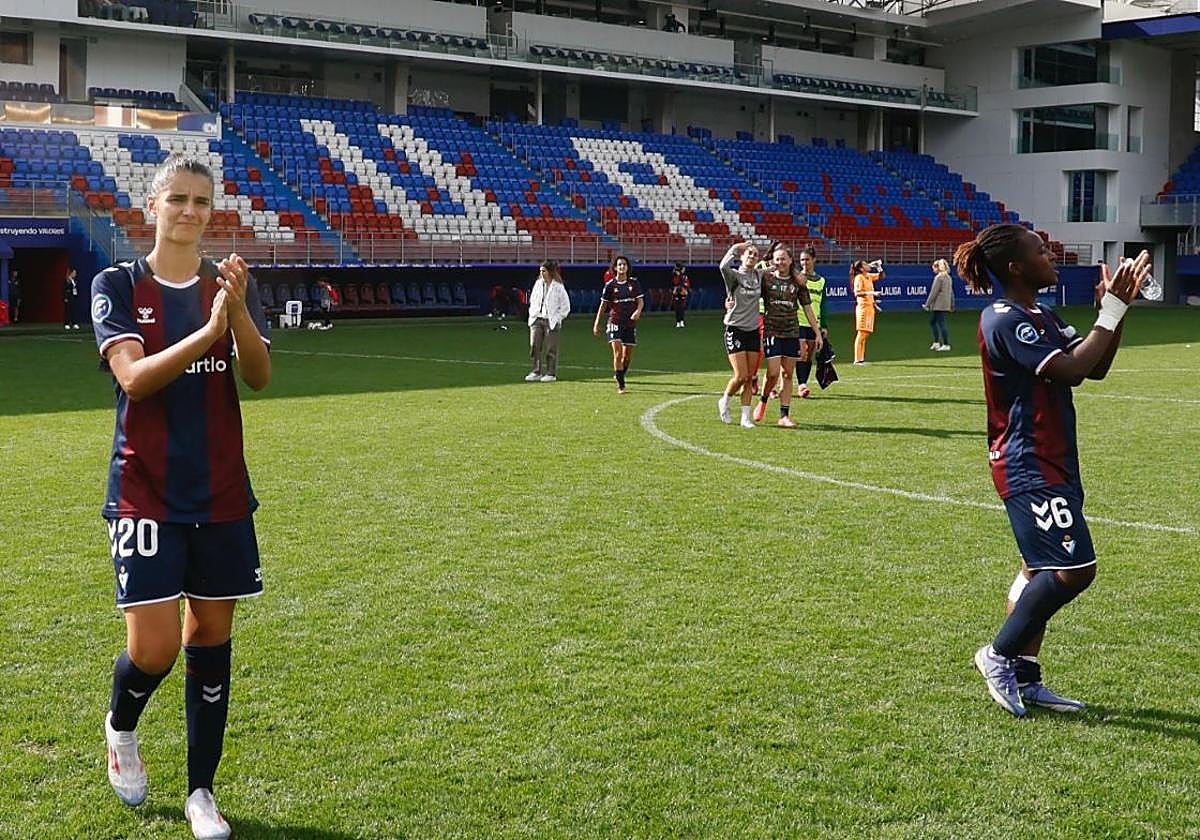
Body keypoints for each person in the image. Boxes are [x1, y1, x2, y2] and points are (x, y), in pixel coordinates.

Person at [90, 153, 271, 839]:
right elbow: (134, 381)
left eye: (202, 201)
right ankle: (122, 727)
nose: (191, 212)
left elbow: (256, 377)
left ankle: (202, 792)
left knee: (212, 638)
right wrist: (207, 331)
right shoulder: (116, 283)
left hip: (222, 490)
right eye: (178, 200)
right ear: (152, 207)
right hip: (145, 491)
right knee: (157, 648)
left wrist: (237, 315)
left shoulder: (227, 285)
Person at [956, 223, 1149, 718]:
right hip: (1027, 461)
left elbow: (1095, 366)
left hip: (1056, 457)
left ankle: (1025, 675)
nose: (1051, 256)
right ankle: (997, 654)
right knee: (1074, 568)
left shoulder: (1041, 314)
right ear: (1016, 267)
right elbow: (1071, 370)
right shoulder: (1003, 319)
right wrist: (1110, 309)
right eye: (1041, 251)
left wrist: (1117, 310)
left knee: (1038, 569)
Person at [752, 244, 824, 427]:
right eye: (777, 259)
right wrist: (731, 302)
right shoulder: (766, 279)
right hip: (772, 331)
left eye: (783, 259)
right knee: (773, 373)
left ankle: (784, 415)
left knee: (788, 373)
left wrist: (817, 333)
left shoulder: (798, 282)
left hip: (792, 331)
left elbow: (808, 308)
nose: (780, 262)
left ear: (791, 261)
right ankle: (764, 399)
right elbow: (748, 294)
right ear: (773, 261)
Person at [717, 241, 762, 428]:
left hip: (752, 330)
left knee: (750, 377)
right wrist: (737, 247)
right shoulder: (734, 276)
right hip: (734, 328)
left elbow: (779, 267)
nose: (752, 256)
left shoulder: (759, 275)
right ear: (742, 257)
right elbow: (722, 265)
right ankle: (725, 400)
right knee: (741, 375)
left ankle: (745, 417)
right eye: (749, 253)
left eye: (755, 254)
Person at [593, 254, 643, 393]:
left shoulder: (634, 283)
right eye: (619, 264)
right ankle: (621, 386)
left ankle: (619, 374)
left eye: (624, 265)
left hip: (630, 323)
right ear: (615, 267)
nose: (622, 267)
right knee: (618, 353)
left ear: (627, 267)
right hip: (615, 321)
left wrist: (638, 311)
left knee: (627, 356)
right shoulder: (610, 285)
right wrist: (597, 322)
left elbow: (640, 301)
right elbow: (603, 305)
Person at [526, 259, 570, 383]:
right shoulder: (538, 284)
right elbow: (533, 300)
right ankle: (536, 371)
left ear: (550, 272)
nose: (541, 273)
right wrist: (533, 314)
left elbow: (566, 306)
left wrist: (557, 318)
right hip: (536, 319)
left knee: (551, 349)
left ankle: (551, 373)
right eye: (540, 271)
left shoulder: (558, 287)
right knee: (534, 346)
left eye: (544, 271)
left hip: (551, 321)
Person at [794, 247, 829, 398]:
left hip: (815, 323)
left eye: (807, 259)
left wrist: (824, 325)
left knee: (809, 355)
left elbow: (823, 304)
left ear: (814, 260)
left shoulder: (821, 281)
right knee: (802, 352)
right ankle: (801, 385)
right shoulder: (797, 278)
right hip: (799, 320)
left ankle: (803, 382)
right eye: (802, 260)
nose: (804, 263)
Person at [851, 259, 884, 365]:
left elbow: (881, 276)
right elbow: (857, 293)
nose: (867, 265)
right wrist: (872, 293)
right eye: (864, 264)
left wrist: (879, 267)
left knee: (866, 333)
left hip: (870, 308)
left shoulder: (868, 276)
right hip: (863, 308)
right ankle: (857, 359)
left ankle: (861, 358)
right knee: (862, 333)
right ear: (861, 268)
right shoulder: (859, 278)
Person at [923, 258, 953, 351]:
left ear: (938, 267)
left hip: (939, 304)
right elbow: (951, 292)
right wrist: (952, 303)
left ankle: (946, 344)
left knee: (941, 323)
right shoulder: (948, 277)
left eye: (934, 268)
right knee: (933, 322)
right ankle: (936, 343)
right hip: (945, 304)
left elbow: (934, 292)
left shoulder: (939, 278)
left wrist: (927, 304)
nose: (933, 270)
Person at [670, 262, 690, 328]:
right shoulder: (675, 276)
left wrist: (684, 289)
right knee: (677, 308)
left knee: (682, 308)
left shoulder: (684, 277)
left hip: (682, 293)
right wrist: (675, 289)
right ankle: (678, 322)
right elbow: (674, 284)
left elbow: (687, 284)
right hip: (676, 294)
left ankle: (682, 321)